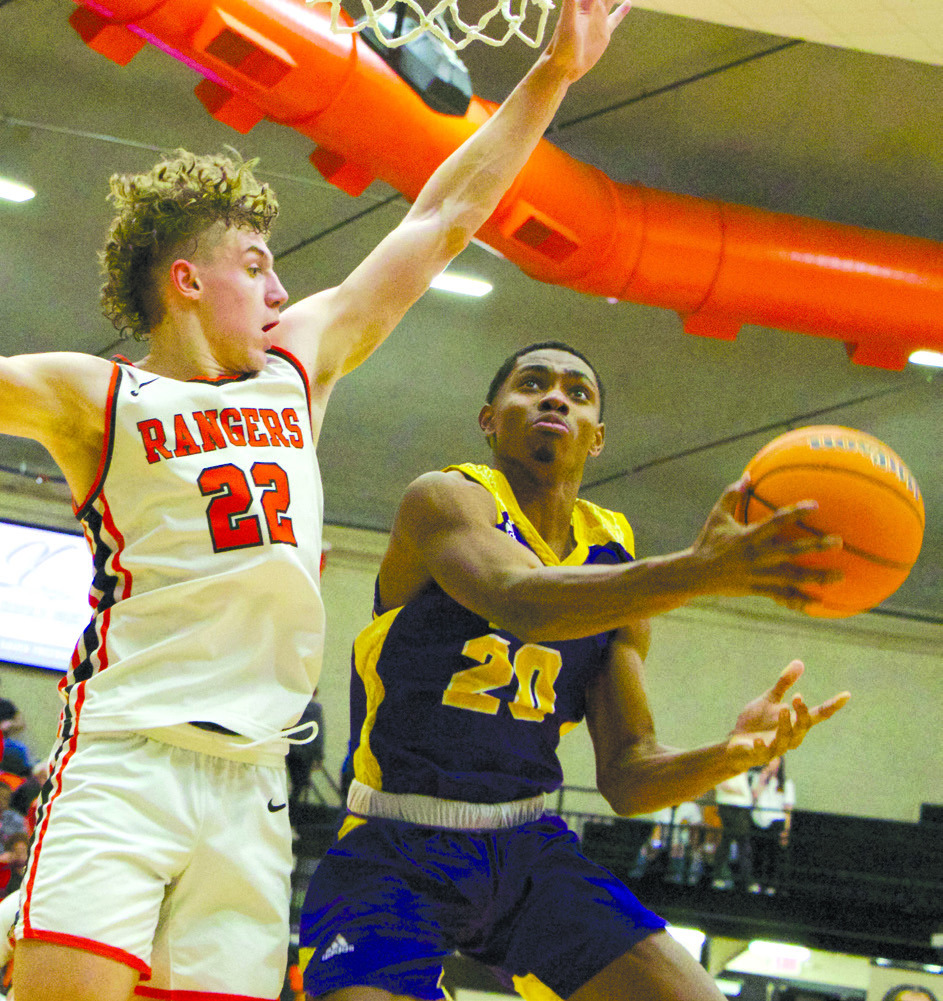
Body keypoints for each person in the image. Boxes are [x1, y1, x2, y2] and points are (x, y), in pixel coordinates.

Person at [0, 2, 636, 996]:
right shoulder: (99, 393)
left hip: (257, 782)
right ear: (186, 281)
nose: (279, 283)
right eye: (253, 264)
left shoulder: (295, 367)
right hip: (125, 756)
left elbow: (441, 218)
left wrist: (551, 75)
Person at [298, 340, 851, 1001]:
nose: (555, 396)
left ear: (597, 439)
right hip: (394, 842)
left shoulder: (616, 559)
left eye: (576, 392)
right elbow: (517, 598)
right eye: (532, 384)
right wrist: (699, 571)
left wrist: (729, 755)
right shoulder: (445, 499)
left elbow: (628, 774)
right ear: (488, 418)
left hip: (525, 844)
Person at [748, 755, 795, 892]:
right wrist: (762, 781)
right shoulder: (758, 778)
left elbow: (788, 809)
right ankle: (756, 883)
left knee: (773, 854)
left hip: (776, 821)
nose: (771, 763)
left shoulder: (786, 783)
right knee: (757, 853)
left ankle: (770, 885)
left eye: (775, 760)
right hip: (758, 819)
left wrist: (786, 830)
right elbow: (753, 798)